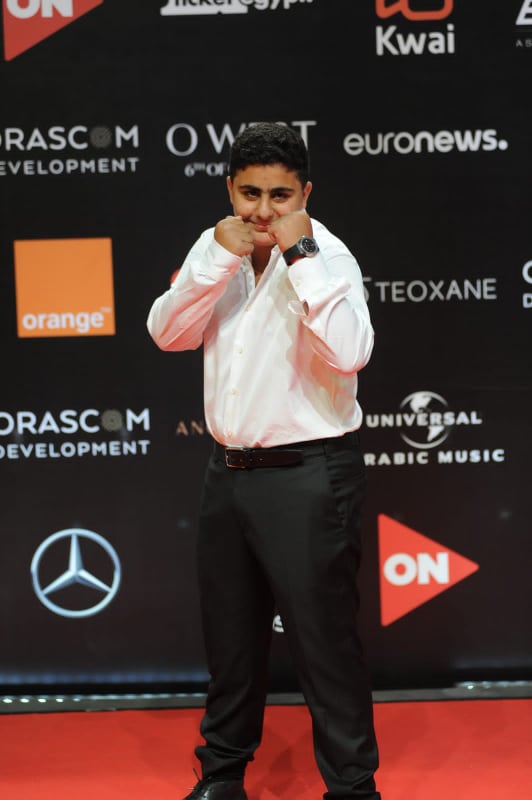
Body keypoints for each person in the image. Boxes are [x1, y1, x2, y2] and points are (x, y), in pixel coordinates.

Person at [147, 122, 381, 800]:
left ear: (305, 194)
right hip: (228, 474)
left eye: (280, 196)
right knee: (231, 641)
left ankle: (353, 790)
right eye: (250, 193)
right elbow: (167, 333)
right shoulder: (216, 246)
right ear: (230, 189)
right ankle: (222, 776)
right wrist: (216, 261)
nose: (263, 211)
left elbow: (350, 353)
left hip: (310, 475)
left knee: (324, 646)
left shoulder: (327, 255)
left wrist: (300, 253)